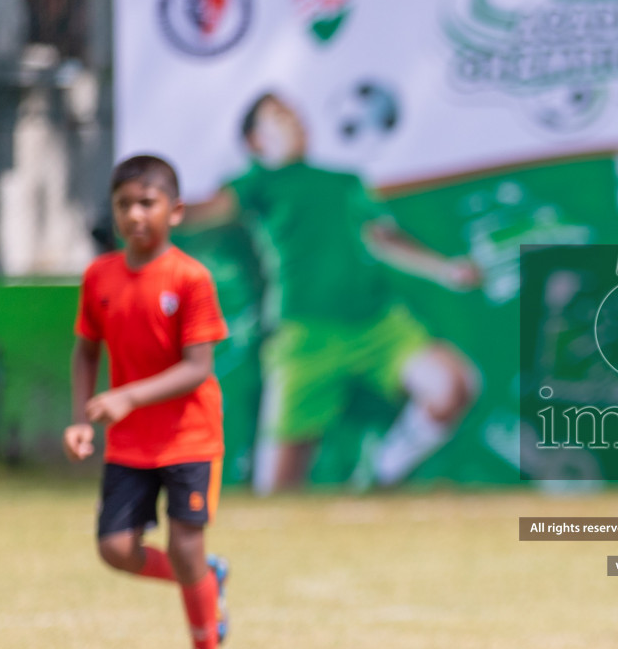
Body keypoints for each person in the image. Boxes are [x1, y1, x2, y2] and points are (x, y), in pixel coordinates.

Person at [186, 92, 480, 493]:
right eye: (279, 116)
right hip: (304, 339)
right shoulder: (257, 183)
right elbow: (209, 211)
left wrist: (446, 269)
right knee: (275, 493)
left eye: (295, 112)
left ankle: (383, 473)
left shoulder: (344, 182)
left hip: (378, 325)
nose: (294, 120)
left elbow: (382, 238)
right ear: (256, 141)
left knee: (455, 384)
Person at [65, 155, 232, 649]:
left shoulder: (189, 278)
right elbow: (86, 350)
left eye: (147, 203)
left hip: (189, 436)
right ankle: (207, 578)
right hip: (130, 442)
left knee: (184, 545)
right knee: (115, 547)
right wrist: (81, 418)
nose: (135, 215)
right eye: (124, 205)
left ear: (176, 211)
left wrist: (127, 396)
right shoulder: (100, 276)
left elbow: (197, 367)